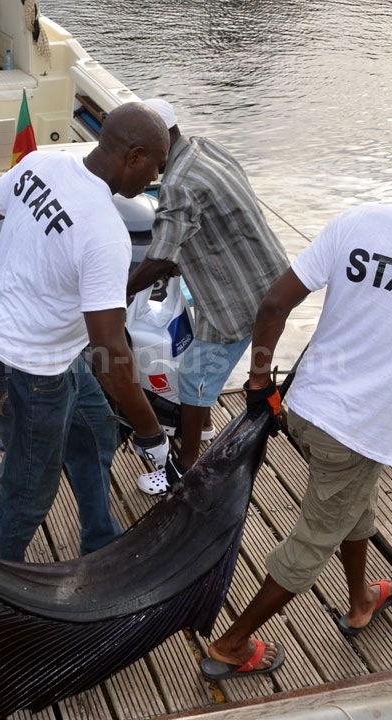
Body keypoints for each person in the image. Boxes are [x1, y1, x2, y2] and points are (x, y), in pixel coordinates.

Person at [201, 147, 392, 679]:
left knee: (352, 503)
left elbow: (274, 304)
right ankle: (231, 643)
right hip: (361, 429)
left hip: (306, 407)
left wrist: (258, 381)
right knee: (314, 537)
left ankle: (362, 598)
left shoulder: (360, 220)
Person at [0, 102, 180, 562]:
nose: (155, 178)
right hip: (31, 377)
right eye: (155, 165)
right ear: (133, 155)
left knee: (94, 434)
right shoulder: (106, 233)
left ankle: (99, 539)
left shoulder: (40, 164)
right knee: (29, 491)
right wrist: (152, 432)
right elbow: (110, 351)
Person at [127, 98, 290, 495]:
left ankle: (184, 470)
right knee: (210, 372)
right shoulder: (204, 147)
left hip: (236, 296)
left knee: (195, 376)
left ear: (159, 141)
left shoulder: (177, 183)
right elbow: (212, 216)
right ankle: (203, 425)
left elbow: (161, 253)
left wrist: (118, 293)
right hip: (270, 273)